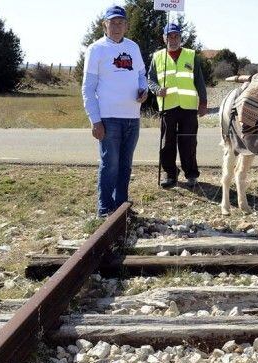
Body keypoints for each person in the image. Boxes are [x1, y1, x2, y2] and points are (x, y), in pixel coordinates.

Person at [82, 5, 148, 217]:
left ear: (126, 25)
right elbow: (88, 88)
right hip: (108, 118)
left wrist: (143, 90)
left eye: (121, 22)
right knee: (109, 165)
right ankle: (104, 209)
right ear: (105, 24)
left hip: (132, 117)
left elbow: (141, 75)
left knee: (125, 165)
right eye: (113, 22)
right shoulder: (96, 49)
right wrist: (95, 120)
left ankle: (121, 208)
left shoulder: (133, 47)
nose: (117, 26)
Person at [148, 23, 208, 189]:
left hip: (188, 108)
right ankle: (170, 174)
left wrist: (203, 102)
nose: (173, 40)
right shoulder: (157, 56)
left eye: (176, 36)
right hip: (168, 106)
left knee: (188, 142)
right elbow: (150, 80)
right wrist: (157, 90)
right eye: (169, 36)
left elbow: (199, 81)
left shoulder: (191, 55)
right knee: (167, 143)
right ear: (164, 38)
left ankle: (191, 174)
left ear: (181, 38)